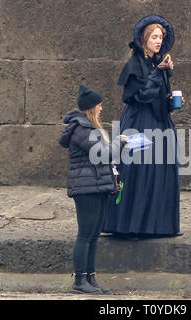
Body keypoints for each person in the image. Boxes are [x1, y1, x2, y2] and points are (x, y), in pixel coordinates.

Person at [103, 15, 184, 238]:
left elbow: (159, 96)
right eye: (154, 37)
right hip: (140, 123)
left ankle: (159, 225)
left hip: (160, 122)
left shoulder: (158, 64)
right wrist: (159, 72)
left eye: (161, 37)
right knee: (139, 170)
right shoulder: (135, 64)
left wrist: (172, 102)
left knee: (161, 170)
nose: (158, 41)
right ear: (144, 39)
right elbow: (139, 96)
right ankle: (131, 226)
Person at [59, 84, 128, 294]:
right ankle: (79, 281)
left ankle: (90, 278)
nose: (101, 108)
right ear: (90, 108)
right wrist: (119, 142)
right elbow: (103, 155)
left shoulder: (90, 127)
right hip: (86, 188)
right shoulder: (82, 129)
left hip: (97, 186)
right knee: (85, 234)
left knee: (94, 234)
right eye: (99, 105)